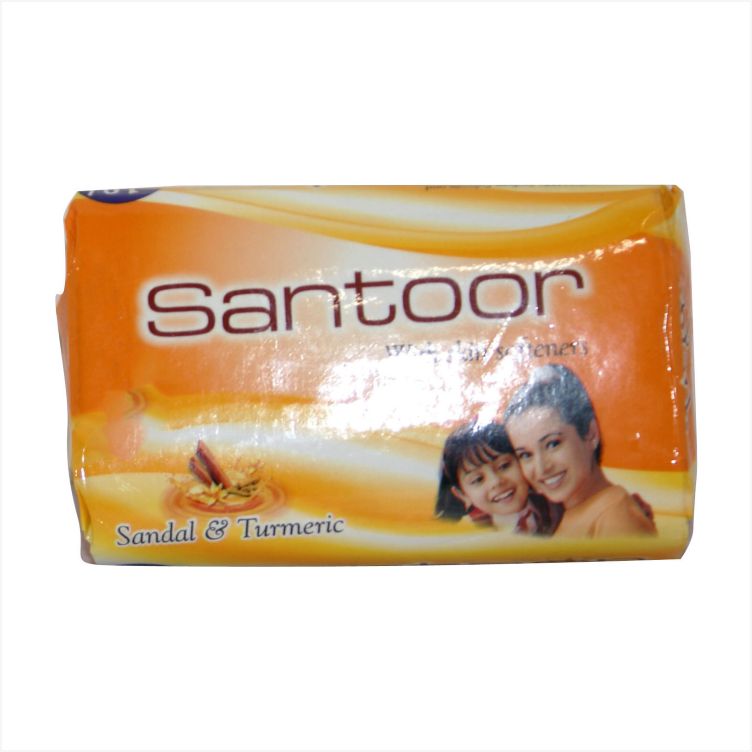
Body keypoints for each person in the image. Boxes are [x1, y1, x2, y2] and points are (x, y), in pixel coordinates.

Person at [503, 364, 656, 538]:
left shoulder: (614, 516)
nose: (541, 468)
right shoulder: (576, 511)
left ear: (590, 434)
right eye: (525, 455)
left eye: (553, 444)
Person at [435, 421, 562, 535]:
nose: (496, 481)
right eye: (478, 479)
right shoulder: (466, 537)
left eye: (504, 466)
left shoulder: (556, 502)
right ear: (462, 495)